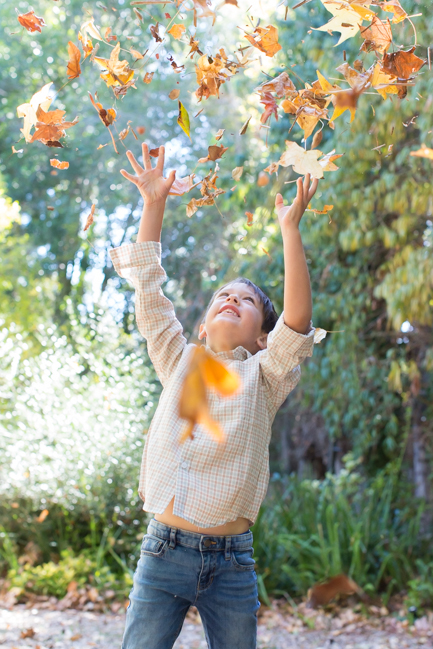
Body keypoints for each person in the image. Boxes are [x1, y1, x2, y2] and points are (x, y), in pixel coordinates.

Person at [109, 142, 318, 649]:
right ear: (203, 326)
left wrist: (289, 229)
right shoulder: (178, 358)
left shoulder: (265, 377)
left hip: (232, 563)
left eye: (247, 301)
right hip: (163, 553)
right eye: (224, 295)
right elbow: (149, 292)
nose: (232, 300)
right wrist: (154, 203)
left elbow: (296, 322)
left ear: (261, 337)